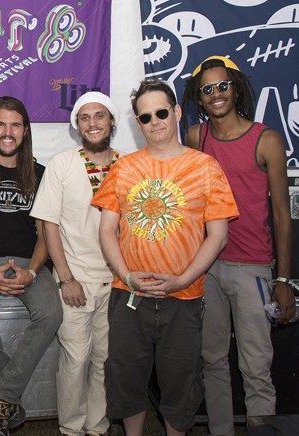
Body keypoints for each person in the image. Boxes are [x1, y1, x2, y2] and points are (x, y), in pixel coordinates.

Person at [91, 79, 239, 436]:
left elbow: (217, 237)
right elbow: (107, 230)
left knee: (181, 385)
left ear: (176, 112)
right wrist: (127, 277)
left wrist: (182, 280)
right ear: (137, 123)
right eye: (144, 117)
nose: (154, 121)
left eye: (160, 112)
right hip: (129, 297)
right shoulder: (123, 169)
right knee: (127, 381)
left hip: (184, 298)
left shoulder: (206, 168)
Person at [181, 55, 294, 435]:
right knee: (212, 361)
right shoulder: (196, 138)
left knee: (256, 367)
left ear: (236, 87)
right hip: (207, 267)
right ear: (198, 99)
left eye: (222, 85)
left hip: (253, 268)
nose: (216, 94)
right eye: (207, 89)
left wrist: (285, 280)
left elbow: (281, 215)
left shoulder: (267, 140)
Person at [0, 96, 62, 436]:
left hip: (28, 260)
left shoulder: (41, 173)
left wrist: (32, 272)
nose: (8, 131)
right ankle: (6, 395)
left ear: (25, 130)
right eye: (1, 124)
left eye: (15, 125)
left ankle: (0, 395)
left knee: (51, 313)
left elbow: (45, 233)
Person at [31, 91, 120, 436]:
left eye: (100, 116)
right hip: (75, 280)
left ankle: (97, 427)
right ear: (77, 125)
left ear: (112, 121)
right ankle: (70, 428)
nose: (93, 123)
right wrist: (65, 278)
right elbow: (47, 223)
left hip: (116, 281)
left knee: (104, 361)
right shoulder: (62, 164)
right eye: (85, 117)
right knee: (75, 360)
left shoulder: (129, 165)